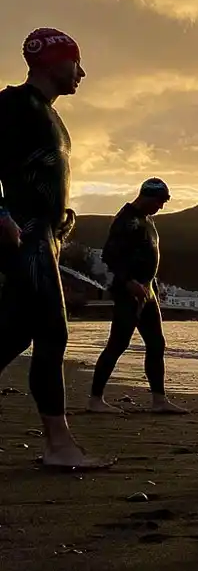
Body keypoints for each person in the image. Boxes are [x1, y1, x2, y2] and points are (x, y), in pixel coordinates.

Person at [0, 28, 110, 469]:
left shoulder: (50, 116)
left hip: (44, 234)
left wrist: (63, 217)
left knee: (13, 333)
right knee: (52, 332)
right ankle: (59, 445)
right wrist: (0, 213)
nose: (81, 72)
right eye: (75, 62)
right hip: (23, 235)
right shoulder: (13, 104)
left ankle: (59, 444)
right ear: (51, 63)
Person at [87, 178, 188, 415]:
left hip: (148, 291)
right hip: (129, 291)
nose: (161, 207)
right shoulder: (126, 220)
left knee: (156, 343)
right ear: (146, 196)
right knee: (117, 343)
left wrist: (151, 284)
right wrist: (128, 281)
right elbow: (110, 256)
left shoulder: (146, 220)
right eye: (159, 201)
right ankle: (95, 399)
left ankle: (159, 399)